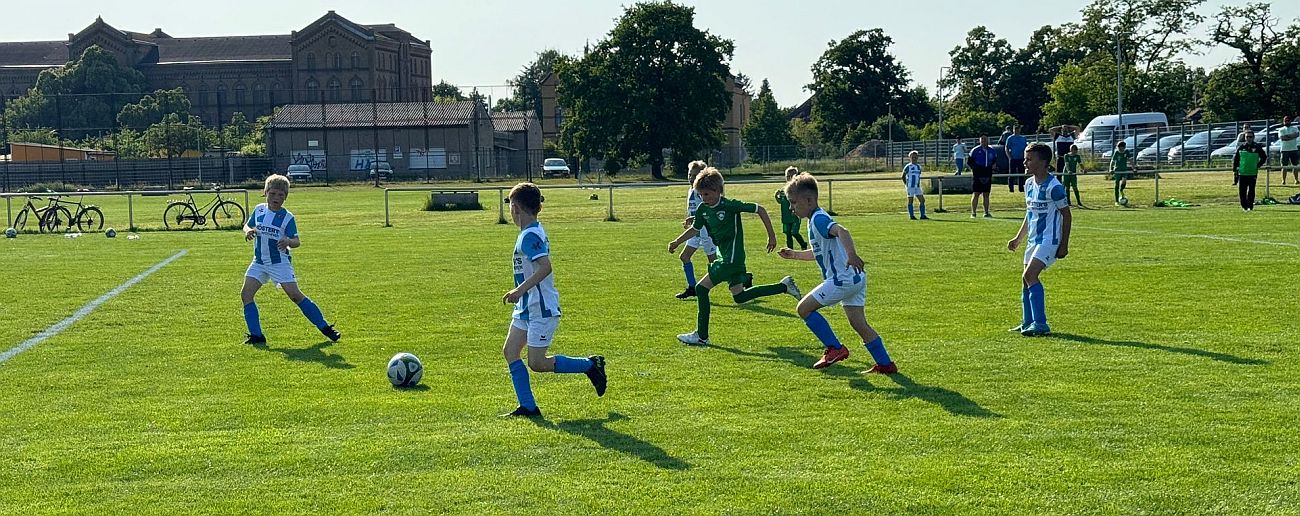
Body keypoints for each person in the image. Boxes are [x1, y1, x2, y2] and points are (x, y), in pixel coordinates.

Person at [500, 182, 607, 418]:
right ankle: (528, 407)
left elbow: (545, 267)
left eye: (510, 206)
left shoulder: (529, 236)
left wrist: (519, 290)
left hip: (541, 309)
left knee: (537, 363)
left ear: (516, 208)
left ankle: (590, 365)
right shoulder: (532, 231)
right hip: (526, 308)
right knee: (510, 351)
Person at [777, 172, 897, 374]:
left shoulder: (819, 219)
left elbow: (843, 231)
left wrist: (851, 255)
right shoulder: (814, 219)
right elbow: (819, 253)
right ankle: (885, 364)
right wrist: (794, 255)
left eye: (794, 202)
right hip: (855, 279)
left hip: (843, 280)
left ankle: (835, 348)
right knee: (859, 324)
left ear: (808, 200)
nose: (791, 207)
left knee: (803, 309)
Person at [669, 167, 802, 346]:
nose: (703, 198)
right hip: (724, 256)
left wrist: (771, 235)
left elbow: (760, 209)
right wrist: (676, 242)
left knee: (701, 289)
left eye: (707, 194)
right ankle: (783, 286)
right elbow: (695, 228)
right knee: (739, 296)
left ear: (718, 191)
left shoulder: (729, 206)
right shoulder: (702, 209)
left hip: (731, 259)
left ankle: (701, 336)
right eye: (701, 195)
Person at [241, 174, 340, 345]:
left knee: (295, 296)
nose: (276, 198)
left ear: (285, 196)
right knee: (246, 294)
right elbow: (247, 225)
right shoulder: (259, 210)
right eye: (272, 194)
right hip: (259, 262)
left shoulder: (287, 217)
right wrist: (248, 231)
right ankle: (256, 336)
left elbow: (297, 242)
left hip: (279, 263)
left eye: (281, 195)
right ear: (265, 192)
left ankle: (326, 328)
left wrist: (287, 241)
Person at [1007, 143, 1072, 336]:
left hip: (1049, 241)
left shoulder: (1055, 187)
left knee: (1030, 276)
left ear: (1043, 162)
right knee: (1024, 279)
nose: (1025, 162)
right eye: (1025, 158)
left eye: (1029, 159)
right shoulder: (1028, 184)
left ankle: (1041, 324)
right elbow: (1030, 214)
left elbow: (1067, 216)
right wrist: (1019, 238)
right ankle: (1027, 322)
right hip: (1034, 240)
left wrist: (1063, 244)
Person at [676, 160, 719, 299]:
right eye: (690, 174)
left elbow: (707, 210)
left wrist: (694, 219)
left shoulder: (702, 191)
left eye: (695, 175)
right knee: (684, 257)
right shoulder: (690, 190)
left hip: (706, 231)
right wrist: (691, 218)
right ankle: (692, 287)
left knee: (715, 264)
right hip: (696, 230)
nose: (691, 178)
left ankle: (742, 278)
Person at [1233, 131, 1268, 212]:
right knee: (1242, 190)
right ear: (1245, 138)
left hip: (1252, 173)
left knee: (1251, 190)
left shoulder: (1257, 147)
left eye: (1250, 137)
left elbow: (1264, 157)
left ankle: (1250, 206)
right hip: (1242, 172)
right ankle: (1244, 206)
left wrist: (1258, 165)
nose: (1249, 138)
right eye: (1247, 137)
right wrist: (1235, 169)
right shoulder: (1241, 147)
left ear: (1253, 137)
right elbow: (1236, 159)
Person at [776, 166, 809, 250]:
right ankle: (789, 249)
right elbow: (781, 202)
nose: (790, 178)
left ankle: (803, 244)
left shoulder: (798, 189)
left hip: (795, 215)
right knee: (788, 233)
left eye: (792, 176)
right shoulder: (784, 190)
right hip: (786, 215)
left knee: (794, 232)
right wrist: (776, 196)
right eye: (788, 176)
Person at [969, 136, 996, 218]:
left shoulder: (991, 150)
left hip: (987, 173)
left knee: (986, 194)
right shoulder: (975, 150)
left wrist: (992, 167)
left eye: (985, 140)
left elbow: (994, 161)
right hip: (978, 174)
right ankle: (973, 213)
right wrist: (976, 170)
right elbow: (970, 162)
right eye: (982, 140)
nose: (984, 142)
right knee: (976, 193)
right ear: (980, 141)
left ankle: (986, 212)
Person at [903, 151, 927, 220]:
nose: (914, 158)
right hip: (910, 186)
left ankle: (922, 216)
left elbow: (918, 176)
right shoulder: (908, 166)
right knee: (910, 201)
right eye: (912, 157)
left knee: (922, 200)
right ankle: (911, 216)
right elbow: (903, 176)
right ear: (910, 158)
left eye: (915, 157)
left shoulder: (918, 167)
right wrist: (906, 184)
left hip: (917, 187)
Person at [1005, 125, 1028, 192]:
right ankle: (1011, 188)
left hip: (1021, 158)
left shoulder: (1023, 138)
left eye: (1018, 129)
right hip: (1013, 158)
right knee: (1012, 174)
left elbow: (1026, 148)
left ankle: (1021, 188)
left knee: (1021, 174)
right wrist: (1009, 157)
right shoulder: (1010, 138)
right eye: (1015, 129)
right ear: (1013, 130)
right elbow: (1006, 148)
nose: (1017, 130)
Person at [1279, 115, 1299, 185]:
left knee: (1295, 165)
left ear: (1290, 121)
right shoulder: (1281, 129)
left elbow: (1296, 135)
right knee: (1284, 166)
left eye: (1288, 120)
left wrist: (1287, 137)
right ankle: (1283, 181)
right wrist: (1291, 136)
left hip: (1294, 149)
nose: (1286, 122)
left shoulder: (1295, 128)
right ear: (1283, 121)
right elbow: (1282, 138)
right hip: (1284, 150)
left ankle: (1296, 180)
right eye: (1285, 121)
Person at [1110, 141, 1131, 205]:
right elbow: (1112, 161)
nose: (1119, 149)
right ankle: (1116, 201)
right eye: (1118, 147)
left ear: (1124, 147)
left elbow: (1130, 160)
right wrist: (1111, 169)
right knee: (1116, 185)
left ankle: (1121, 190)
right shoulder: (1116, 152)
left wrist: (1134, 168)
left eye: (1121, 147)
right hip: (1117, 170)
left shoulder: (1126, 152)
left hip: (1124, 170)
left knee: (1124, 181)